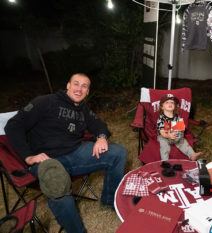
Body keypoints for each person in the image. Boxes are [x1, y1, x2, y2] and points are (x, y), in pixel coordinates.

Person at [5, 73, 127, 233]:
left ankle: (110, 200)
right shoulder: (45, 102)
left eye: (85, 86)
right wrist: (28, 156)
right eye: (76, 84)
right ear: (68, 85)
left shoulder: (83, 109)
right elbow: (13, 126)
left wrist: (102, 137)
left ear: (88, 91)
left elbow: (98, 124)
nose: (79, 89)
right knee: (56, 180)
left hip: (75, 153)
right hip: (46, 160)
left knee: (118, 152)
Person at [157, 94, 201, 161]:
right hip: (165, 137)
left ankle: (192, 154)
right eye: (167, 102)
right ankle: (165, 161)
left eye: (172, 102)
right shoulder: (161, 119)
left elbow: (181, 128)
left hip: (176, 136)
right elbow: (162, 132)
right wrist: (168, 135)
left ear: (175, 106)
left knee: (183, 143)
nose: (170, 103)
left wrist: (178, 132)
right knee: (164, 146)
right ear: (162, 107)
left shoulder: (177, 117)